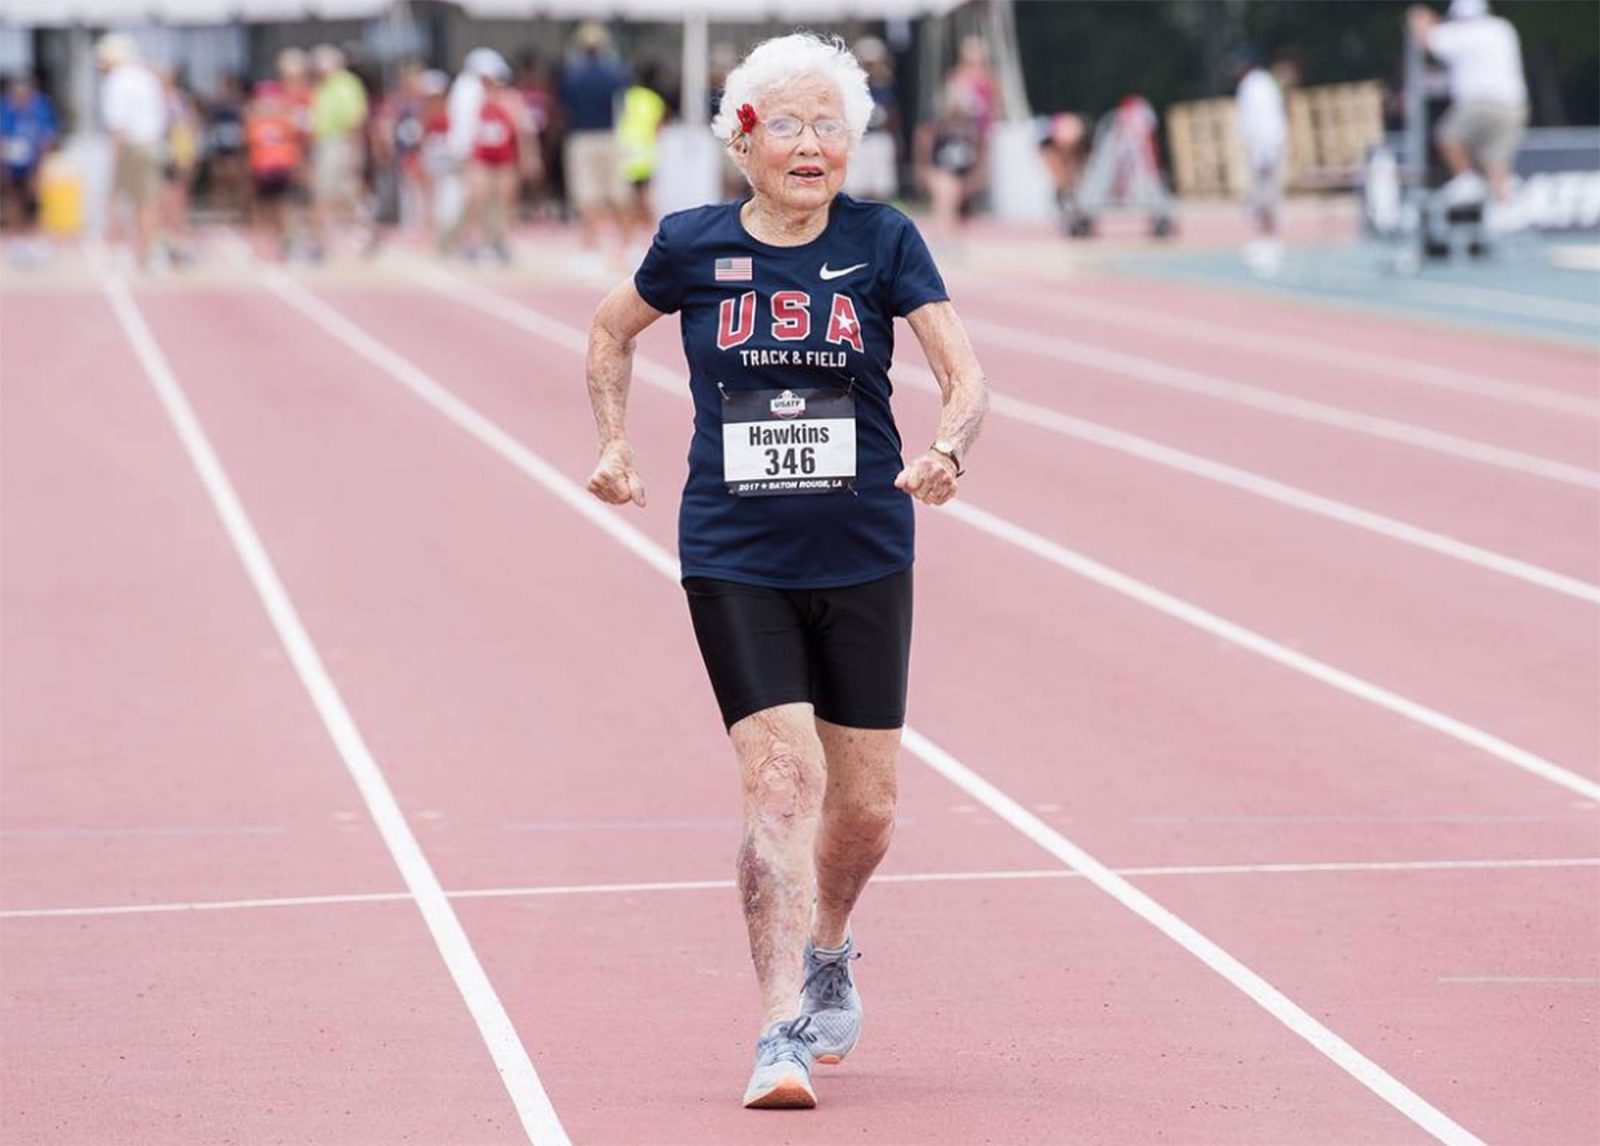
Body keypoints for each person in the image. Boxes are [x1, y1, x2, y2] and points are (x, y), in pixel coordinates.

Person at [582, 32, 988, 1111]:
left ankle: (829, 944)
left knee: (866, 812)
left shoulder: (884, 240)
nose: (813, 147)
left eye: (832, 127)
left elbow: (967, 376)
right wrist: (613, 439)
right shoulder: (692, 244)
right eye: (790, 126)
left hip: (863, 549)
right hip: (734, 551)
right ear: (743, 137)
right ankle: (778, 1033)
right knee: (778, 783)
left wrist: (947, 448)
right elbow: (610, 333)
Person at [1408, 0, 1528, 209]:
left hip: (1480, 103)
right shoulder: (1502, 29)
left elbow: (1425, 40)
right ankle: (1506, 212)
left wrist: (1420, 20)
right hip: (1514, 106)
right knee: (1496, 166)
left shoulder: (1460, 34)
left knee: (1448, 137)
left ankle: (1466, 179)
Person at [558, 22, 629, 270]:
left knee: (587, 196)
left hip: (582, 137)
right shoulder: (616, 72)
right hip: (610, 136)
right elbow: (623, 102)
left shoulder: (573, 75)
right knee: (618, 194)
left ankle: (591, 249)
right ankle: (625, 246)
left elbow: (566, 105)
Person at [97, 34, 168, 270]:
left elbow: (118, 126)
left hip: (131, 145)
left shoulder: (117, 80)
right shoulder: (146, 76)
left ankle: (119, 251)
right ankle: (147, 253)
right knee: (147, 201)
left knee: (117, 198)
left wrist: (114, 160)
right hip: (152, 142)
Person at [1233, 49, 1296, 274]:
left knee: (1266, 195)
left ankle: (1269, 242)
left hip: (1264, 149)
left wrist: (1263, 153)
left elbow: (1261, 123)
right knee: (1262, 196)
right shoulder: (1263, 83)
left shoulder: (1254, 85)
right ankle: (1267, 240)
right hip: (1267, 147)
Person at [307, 44, 370, 258]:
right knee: (337, 194)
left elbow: (354, 121)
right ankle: (328, 240)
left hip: (338, 144)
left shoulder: (344, 85)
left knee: (331, 195)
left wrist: (351, 152)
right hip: (328, 143)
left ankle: (322, 242)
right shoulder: (325, 86)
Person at [614, 59, 668, 253]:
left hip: (627, 151)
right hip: (646, 152)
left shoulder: (628, 96)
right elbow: (658, 128)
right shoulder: (655, 100)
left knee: (628, 199)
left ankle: (627, 239)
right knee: (646, 196)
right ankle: (656, 233)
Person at [0, 75, 57, 255]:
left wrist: (39, 166)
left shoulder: (41, 107)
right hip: (12, 161)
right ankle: (16, 238)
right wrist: (4, 167)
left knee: (35, 198)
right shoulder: (6, 107)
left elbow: (48, 137)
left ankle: (36, 237)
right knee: (13, 199)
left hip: (34, 159)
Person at [843, 36, 900, 202]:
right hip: (859, 138)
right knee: (855, 185)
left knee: (881, 184)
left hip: (879, 137)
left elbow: (892, 113)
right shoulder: (851, 86)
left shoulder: (885, 85)